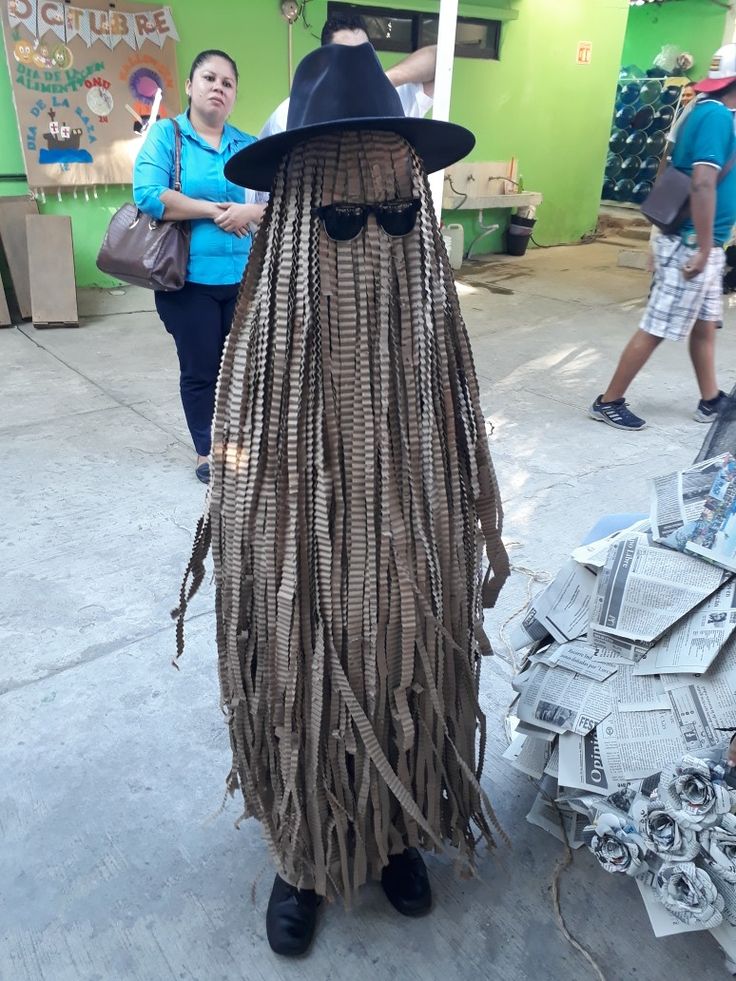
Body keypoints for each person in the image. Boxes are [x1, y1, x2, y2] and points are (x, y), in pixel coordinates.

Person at [173, 42, 509, 957]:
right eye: (343, 221)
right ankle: (306, 852)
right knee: (305, 660)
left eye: (401, 216)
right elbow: (234, 461)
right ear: (291, 224)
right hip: (305, 541)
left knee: (399, 653)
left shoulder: (424, 319)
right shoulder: (267, 345)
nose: (376, 233)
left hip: (403, 523)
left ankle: (396, 831)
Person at [133, 50, 265, 483]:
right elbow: (149, 194)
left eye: (227, 83)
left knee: (245, 370)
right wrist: (212, 210)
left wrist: (250, 214)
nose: (218, 88)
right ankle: (208, 451)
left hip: (244, 280)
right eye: (209, 78)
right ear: (190, 86)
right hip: (188, 280)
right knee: (202, 368)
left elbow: (276, 201)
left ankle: (242, 444)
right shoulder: (167, 136)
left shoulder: (247, 146)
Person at [590, 44, 736, 432]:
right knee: (656, 328)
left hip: (706, 243)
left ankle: (710, 399)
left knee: (705, 326)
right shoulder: (716, 118)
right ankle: (609, 401)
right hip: (692, 244)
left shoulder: (706, 111)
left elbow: (667, 162)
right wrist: (703, 248)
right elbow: (703, 183)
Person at [258, 12, 436, 139]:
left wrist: (380, 81)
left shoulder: (392, 102)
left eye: (363, 56)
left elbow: (439, 60)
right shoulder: (291, 113)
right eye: (346, 57)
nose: (356, 66)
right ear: (325, 59)